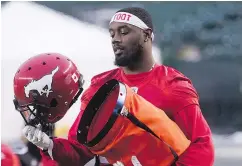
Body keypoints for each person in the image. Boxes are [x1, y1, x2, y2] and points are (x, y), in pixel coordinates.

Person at [20, 7, 214, 166]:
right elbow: (79, 151)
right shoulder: (100, 86)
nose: (115, 39)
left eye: (124, 31)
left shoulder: (173, 85)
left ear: (146, 35)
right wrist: (50, 146)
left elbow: (202, 146)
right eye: (112, 33)